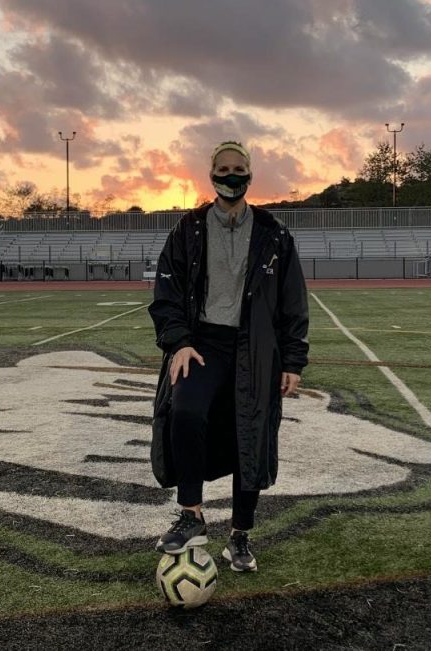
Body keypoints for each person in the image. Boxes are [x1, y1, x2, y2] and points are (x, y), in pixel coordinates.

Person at [148, 141, 309, 572]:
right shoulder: (189, 228)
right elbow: (166, 293)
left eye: (239, 168)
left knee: (249, 434)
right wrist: (179, 340)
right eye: (223, 167)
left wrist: (292, 361)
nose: (231, 175)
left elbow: (293, 301)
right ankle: (191, 515)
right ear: (211, 174)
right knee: (184, 411)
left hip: (255, 346)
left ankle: (240, 536)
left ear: (250, 175)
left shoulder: (274, 233)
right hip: (201, 343)